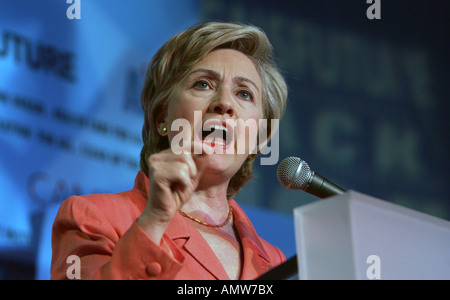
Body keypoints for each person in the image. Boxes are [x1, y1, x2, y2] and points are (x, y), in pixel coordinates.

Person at [50, 21, 288, 280]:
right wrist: (154, 221)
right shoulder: (93, 217)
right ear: (162, 117)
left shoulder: (276, 261)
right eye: (203, 84)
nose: (224, 103)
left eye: (244, 94)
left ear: (258, 140)